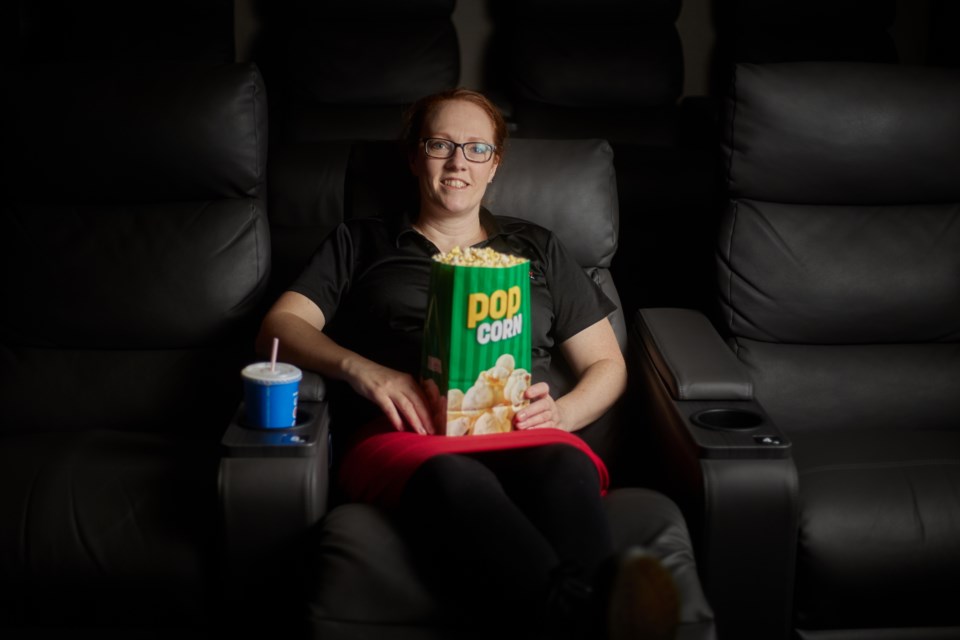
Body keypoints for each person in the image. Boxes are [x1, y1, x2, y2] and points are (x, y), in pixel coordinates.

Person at [255, 88, 679, 639]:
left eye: (477, 148)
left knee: (564, 468)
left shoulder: (537, 248)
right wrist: (363, 369)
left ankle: (578, 615)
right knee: (456, 480)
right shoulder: (360, 242)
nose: (458, 162)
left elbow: (607, 363)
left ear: (494, 165)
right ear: (414, 156)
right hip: (410, 434)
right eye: (441, 145)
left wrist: (563, 414)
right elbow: (278, 327)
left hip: (526, 432)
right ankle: (598, 620)